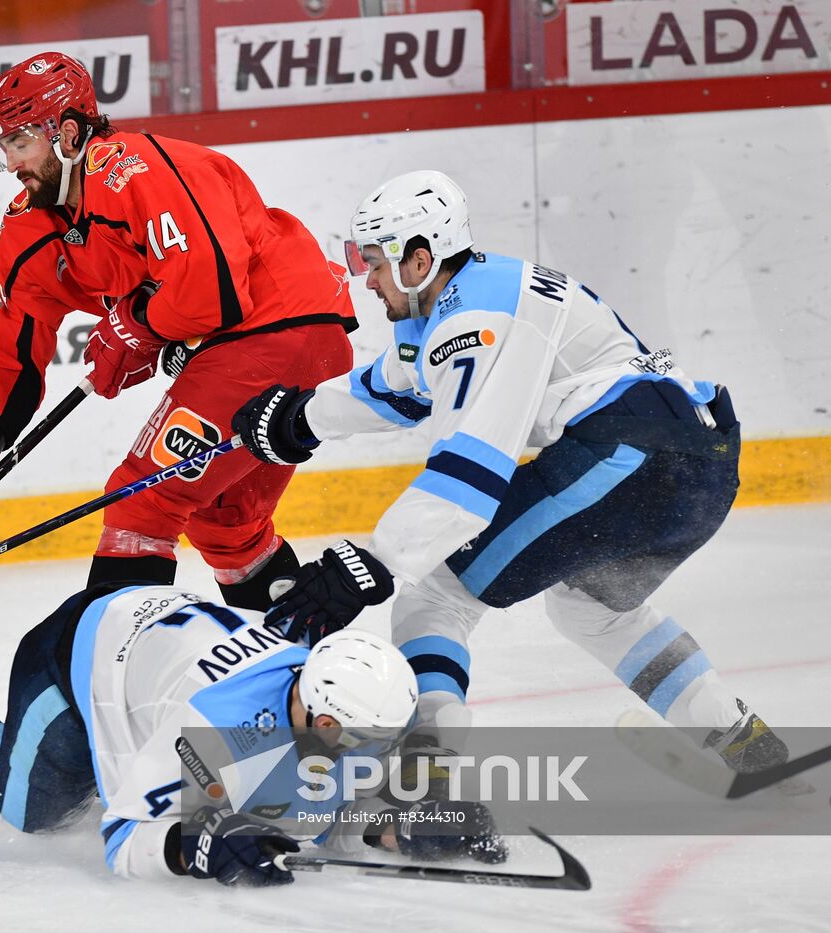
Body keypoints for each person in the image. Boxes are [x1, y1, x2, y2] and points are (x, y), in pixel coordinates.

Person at [233, 169, 791, 778]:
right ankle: (741, 740)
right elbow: (401, 387)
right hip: (701, 466)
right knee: (593, 611)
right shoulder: (473, 293)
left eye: (374, 262)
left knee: (435, 595)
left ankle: (427, 782)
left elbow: (470, 473)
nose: (366, 279)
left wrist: (374, 563)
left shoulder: (476, 321)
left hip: (629, 458)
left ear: (419, 260)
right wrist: (299, 416)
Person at [0, 52, 357, 611]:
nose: (12, 163)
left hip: (273, 328)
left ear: (70, 133)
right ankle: (304, 674)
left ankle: (111, 674)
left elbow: (214, 293)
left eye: (22, 142)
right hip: (283, 340)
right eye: (2, 147)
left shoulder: (135, 169)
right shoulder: (29, 229)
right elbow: (17, 340)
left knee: (140, 503)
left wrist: (134, 326)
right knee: (225, 523)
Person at [0, 583, 507, 883]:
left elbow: (327, 799)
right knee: (30, 811)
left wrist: (401, 825)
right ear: (323, 719)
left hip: (152, 641)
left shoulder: (328, 700)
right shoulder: (210, 723)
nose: (370, 760)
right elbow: (121, 835)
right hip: (77, 657)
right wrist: (191, 845)